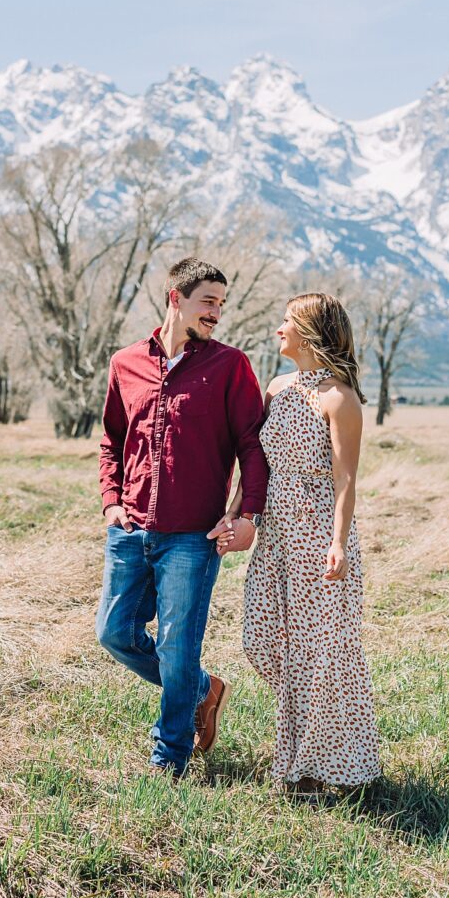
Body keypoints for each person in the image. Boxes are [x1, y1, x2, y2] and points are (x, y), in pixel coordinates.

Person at [95, 258, 268, 779]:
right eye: (207, 301)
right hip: (131, 529)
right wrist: (111, 502)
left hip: (194, 536)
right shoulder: (126, 363)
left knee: (176, 645)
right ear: (176, 298)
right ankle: (202, 688)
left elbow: (252, 447)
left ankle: (169, 756)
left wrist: (249, 516)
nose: (217, 312)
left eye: (221, 302)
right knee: (113, 632)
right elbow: (112, 440)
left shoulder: (229, 366)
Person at [210, 293, 381, 794]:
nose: (278, 329)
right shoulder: (278, 387)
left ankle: (325, 772)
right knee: (265, 641)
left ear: (310, 331)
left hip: (318, 533)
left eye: (287, 322)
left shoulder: (339, 398)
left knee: (323, 653)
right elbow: (256, 462)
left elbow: (346, 478)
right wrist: (240, 510)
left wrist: (340, 543)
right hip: (276, 534)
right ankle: (307, 759)